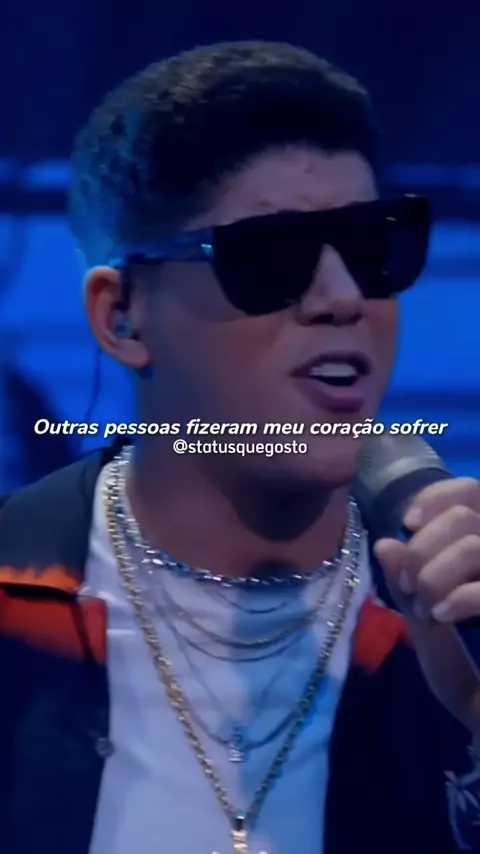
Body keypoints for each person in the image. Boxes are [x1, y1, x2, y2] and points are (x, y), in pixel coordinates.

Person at [0, 40, 480, 854]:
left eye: (373, 246)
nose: (342, 298)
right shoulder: (17, 596)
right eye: (273, 256)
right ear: (122, 317)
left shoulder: (446, 620)